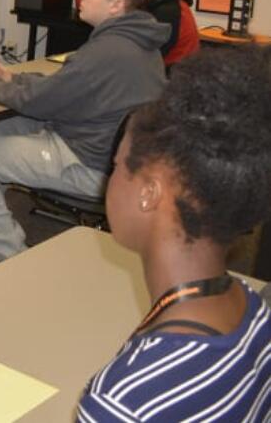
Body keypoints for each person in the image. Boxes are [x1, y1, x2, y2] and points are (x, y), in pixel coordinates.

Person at [77, 47, 271, 422]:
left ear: (149, 192)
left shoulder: (122, 403)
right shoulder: (254, 310)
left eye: (116, 166)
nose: (109, 179)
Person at [0, 0, 168, 264]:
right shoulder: (139, 44)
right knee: (6, 127)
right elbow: (64, 86)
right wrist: (13, 79)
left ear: (116, 5)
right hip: (119, 156)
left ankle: (12, 256)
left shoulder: (105, 52)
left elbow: (39, 102)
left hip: (90, 165)